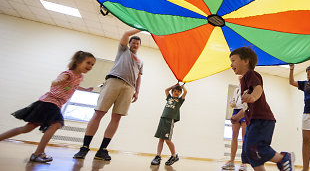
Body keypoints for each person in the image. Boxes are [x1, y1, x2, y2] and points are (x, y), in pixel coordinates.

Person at [0, 51, 95, 162]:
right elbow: (57, 81)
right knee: (56, 124)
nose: (90, 66)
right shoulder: (68, 73)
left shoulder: (80, 77)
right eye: (88, 63)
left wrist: (86, 89)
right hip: (49, 102)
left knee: (27, 129)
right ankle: (38, 153)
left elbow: (75, 86)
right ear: (78, 62)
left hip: (52, 104)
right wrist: (57, 81)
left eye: (92, 65)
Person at [74, 29, 143, 161]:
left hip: (129, 87)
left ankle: (102, 150)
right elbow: (125, 34)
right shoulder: (123, 51)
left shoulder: (140, 61)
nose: (135, 45)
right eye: (133, 42)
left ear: (139, 46)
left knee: (116, 117)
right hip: (113, 81)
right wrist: (142, 27)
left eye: (137, 43)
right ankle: (84, 147)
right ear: (129, 43)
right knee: (99, 113)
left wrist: (137, 91)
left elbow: (139, 77)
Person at [229, 47, 295, 171]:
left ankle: (283, 158)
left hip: (262, 119)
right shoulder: (243, 80)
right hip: (253, 121)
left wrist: (253, 96)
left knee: (256, 148)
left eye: (233, 60)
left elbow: (258, 88)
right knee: (250, 153)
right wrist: (238, 116)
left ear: (245, 61)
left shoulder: (251, 74)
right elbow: (246, 105)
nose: (231, 64)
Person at [151, 82, 187, 166]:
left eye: (178, 91)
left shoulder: (179, 101)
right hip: (163, 119)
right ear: (172, 92)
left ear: (180, 93)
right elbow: (166, 90)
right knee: (160, 139)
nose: (176, 92)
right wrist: (174, 85)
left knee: (167, 140)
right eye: (174, 91)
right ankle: (158, 156)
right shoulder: (169, 98)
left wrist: (182, 87)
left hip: (169, 121)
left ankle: (174, 156)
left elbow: (185, 92)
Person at [222, 83, 248, 171]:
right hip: (235, 111)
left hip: (245, 111)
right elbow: (232, 101)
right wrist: (232, 103)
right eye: (239, 78)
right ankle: (231, 162)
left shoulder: (248, 88)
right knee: (234, 136)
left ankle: (244, 163)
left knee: (244, 138)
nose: (240, 78)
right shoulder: (236, 89)